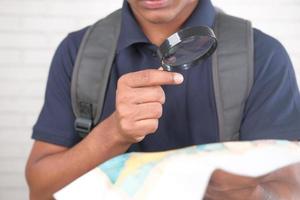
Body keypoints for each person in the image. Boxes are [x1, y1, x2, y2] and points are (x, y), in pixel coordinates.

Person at [25, 0, 300, 199]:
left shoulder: (261, 55)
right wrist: (113, 133)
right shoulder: (78, 51)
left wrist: (244, 191)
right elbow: (41, 190)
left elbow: (289, 189)